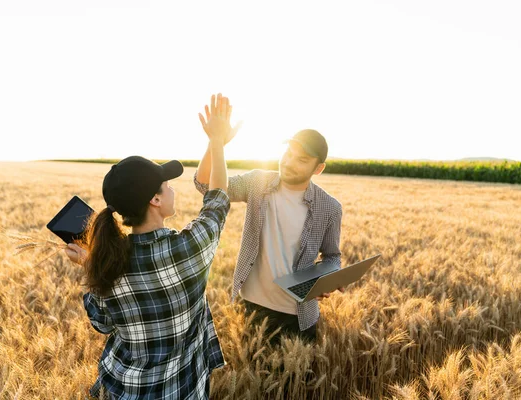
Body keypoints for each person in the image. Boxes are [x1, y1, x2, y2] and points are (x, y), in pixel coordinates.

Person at [65, 94, 233, 399]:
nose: (171, 188)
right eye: (166, 185)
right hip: (178, 390)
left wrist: (91, 265)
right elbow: (218, 199)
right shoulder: (187, 249)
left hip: (121, 389)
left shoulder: (106, 263)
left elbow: (102, 325)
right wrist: (218, 141)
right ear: (155, 200)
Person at [195, 101, 343, 345]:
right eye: (288, 154)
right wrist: (216, 142)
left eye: (301, 160)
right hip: (252, 306)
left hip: (299, 315)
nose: (289, 163)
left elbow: (332, 256)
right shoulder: (258, 182)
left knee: (296, 384)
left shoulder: (330, 208)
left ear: (319, 168)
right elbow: (205, 186)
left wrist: (327, 276)